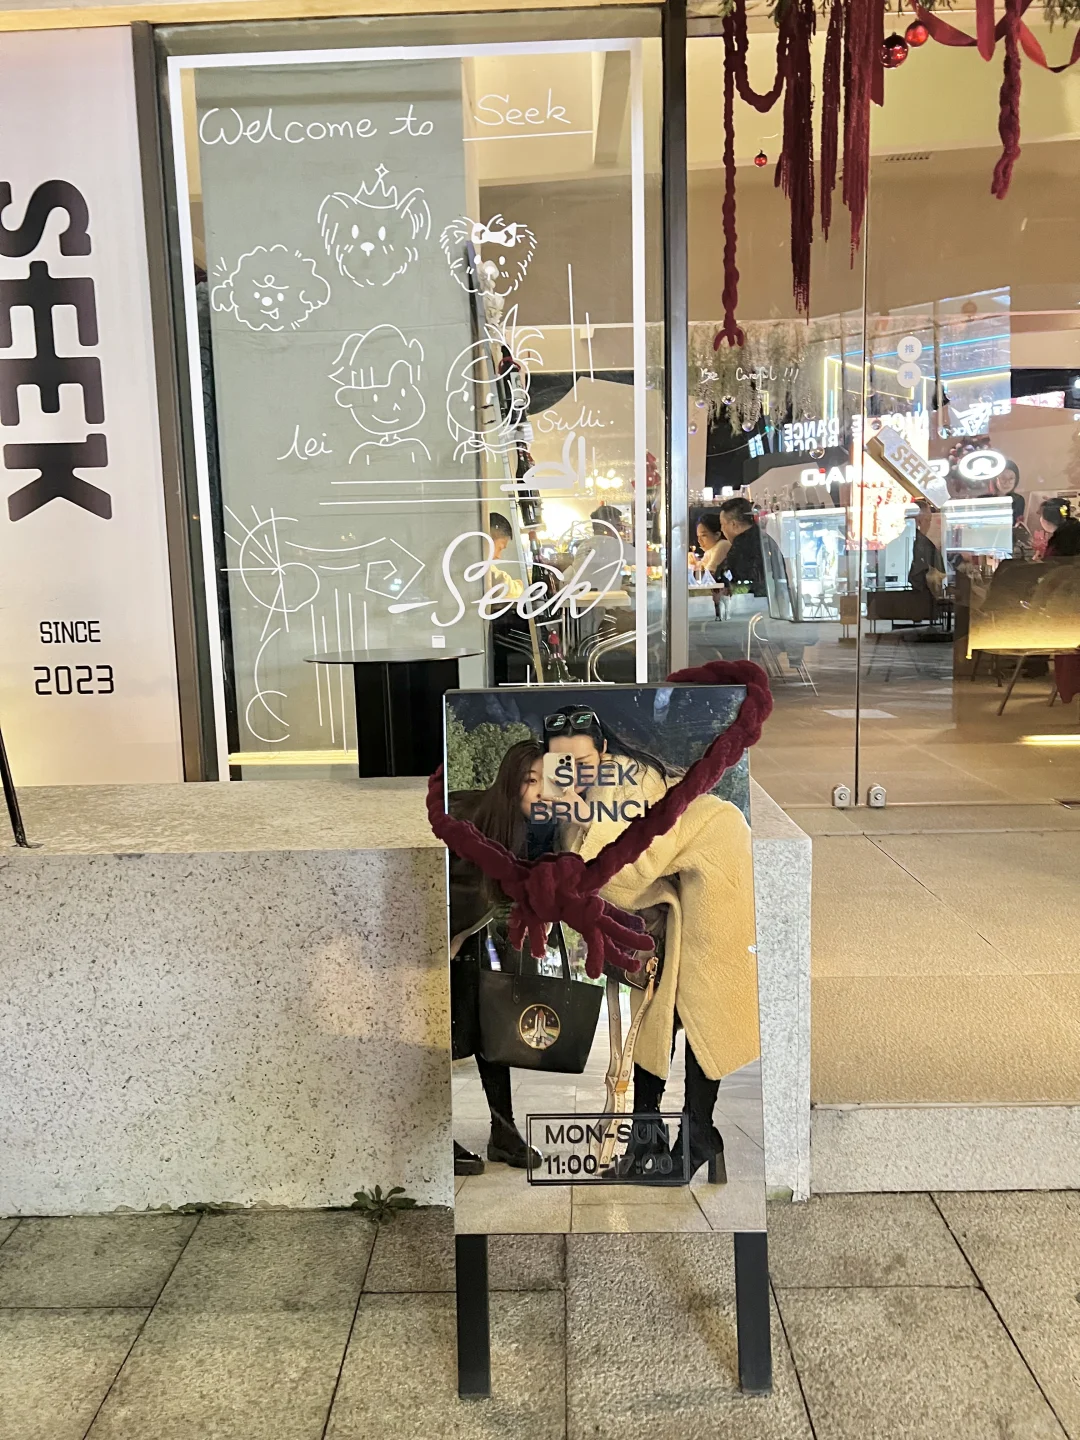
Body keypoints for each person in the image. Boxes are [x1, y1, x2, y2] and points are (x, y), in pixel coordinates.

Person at [542, 705, 758, 1184]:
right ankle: (650, 1137)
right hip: (682, 882)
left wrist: (571, 818)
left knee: (703, 1004)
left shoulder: (622, 782)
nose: (573, 772)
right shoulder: (591, 790)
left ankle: (696, 1133)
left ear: (603, 750)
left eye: (582, 760)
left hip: (717, 868)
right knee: (656, 1011)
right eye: (562, 763)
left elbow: (626, 872)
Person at [449, 740, 550, 1175]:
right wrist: (451, 935)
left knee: (493, 1031)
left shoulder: (536, 823)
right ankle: (435, 1136)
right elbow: (456, 883)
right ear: (511, 781)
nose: (541, 791)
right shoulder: (476, 817)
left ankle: (503, 1132)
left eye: (549, 781)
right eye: (531, 780)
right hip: (444, 940)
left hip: (478, 940)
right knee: (442, 1039)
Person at [693, 512, 729, 619]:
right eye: (698, 536)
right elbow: (699, 569)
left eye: (704, 535)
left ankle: (723, 615)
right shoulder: (710, 551)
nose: (699, 540)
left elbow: (709, 571)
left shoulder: (722, 545)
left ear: (717, 535)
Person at [908, 502, 945, 594]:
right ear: (919, 521)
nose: (929, 525)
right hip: (920, 596)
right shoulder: (926, 546)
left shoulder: (896, 541)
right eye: (928, 520)